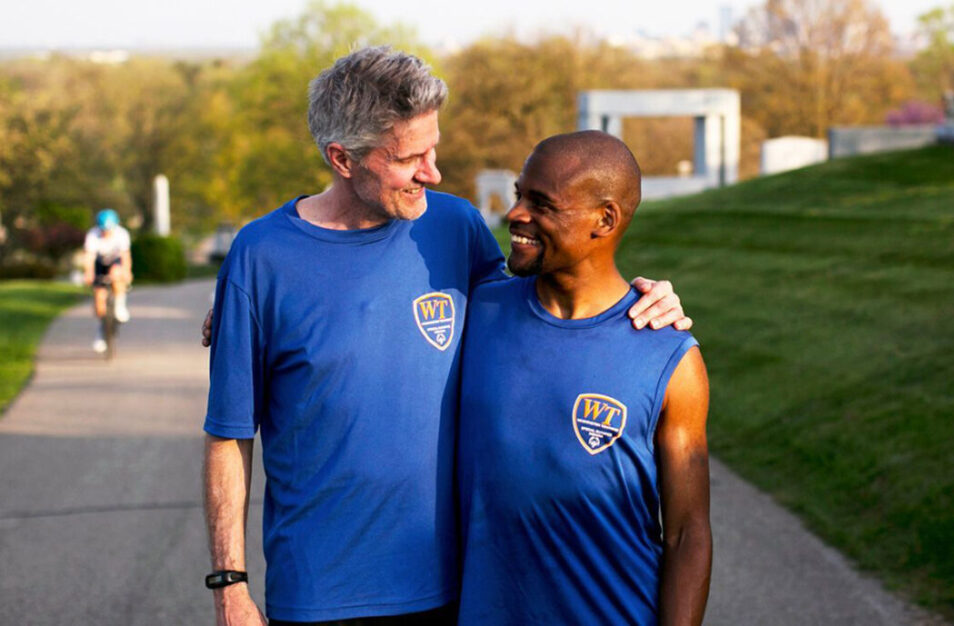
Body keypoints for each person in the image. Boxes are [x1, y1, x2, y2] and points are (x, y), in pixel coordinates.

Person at [203, 46, 690, 626]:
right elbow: (229, 436)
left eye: (433, 149)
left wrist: (643, 300)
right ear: (342, 158)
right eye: (412, 158)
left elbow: (534, 310)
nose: (433, 173)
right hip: (320, 595)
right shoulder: (260, 257)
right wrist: (230, 585)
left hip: (458, 591)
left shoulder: (455, 226)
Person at [457, 131, 711, 625]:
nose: (515, 215)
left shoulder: (667, 354)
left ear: (606, 219)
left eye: (541, 203)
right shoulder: (477, 311)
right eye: (518, 195)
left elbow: (688, 534)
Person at [83, 208, 132, 353]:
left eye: (109, 230)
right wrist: (88, 273)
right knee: (99, 304)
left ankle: (120, 305)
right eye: (104, 230)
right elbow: (89, 257)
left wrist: (127, 272)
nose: (106, 233)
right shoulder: (92, 235)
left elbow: (125, 256)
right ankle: (101, 332)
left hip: (115, 262)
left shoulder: (122, 234)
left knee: (117, 274)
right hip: (99, 263)